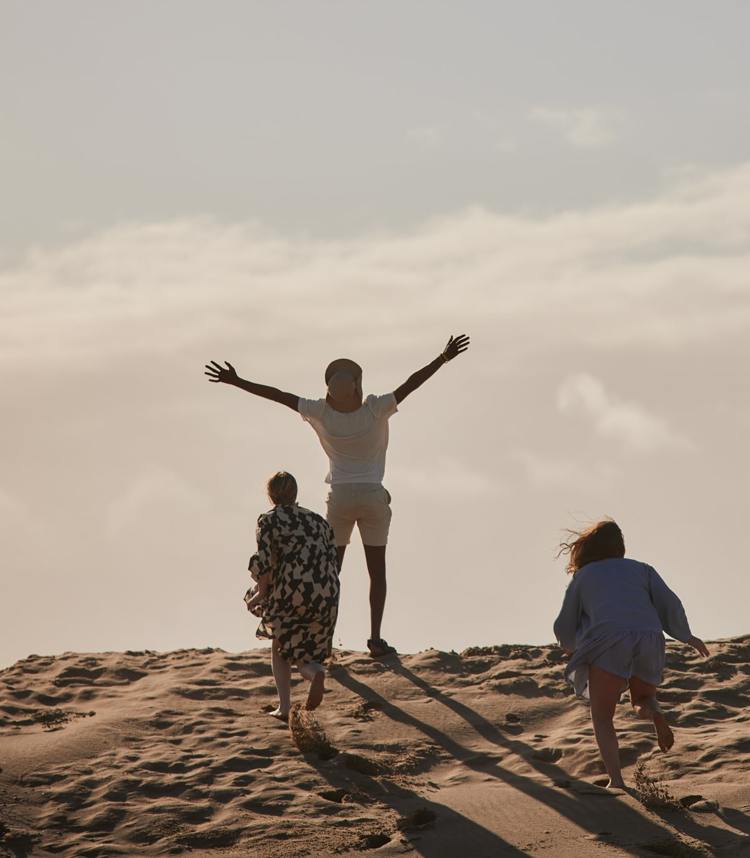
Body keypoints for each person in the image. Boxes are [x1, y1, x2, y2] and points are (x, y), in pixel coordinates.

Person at [206, 334, 470, 657]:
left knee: (330, 572)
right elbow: (411, 384)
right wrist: (442, 358)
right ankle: (375, 640)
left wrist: (236, 381)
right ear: (358, 388)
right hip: (373, 496)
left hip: (340, 499)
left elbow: (277, 395)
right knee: (378, 573)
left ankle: (324, 640)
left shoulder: (321, 413)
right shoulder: (375, 409)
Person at [553, 519, 709, 790]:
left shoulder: (584, 576)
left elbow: (566, 621)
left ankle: (617, 780)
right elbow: (669, 603)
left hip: (609, 640)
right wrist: (686, 635)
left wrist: (570, 646)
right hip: (649, 636)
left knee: (602, 716)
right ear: (620, 547)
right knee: (643, 699)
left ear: (586, 549)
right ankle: (655, 714)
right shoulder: (642, 570)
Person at [244, 471, 340, 722]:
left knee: (280, 643)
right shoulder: (318, 520)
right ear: (295, 493)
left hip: (291, 590)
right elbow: (333, 558)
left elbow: (264, 562)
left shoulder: (269, 521)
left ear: (270, 494)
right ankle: (315, 671)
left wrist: (260, 594)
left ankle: (285, 706)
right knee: (305, 653)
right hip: (326, 591)